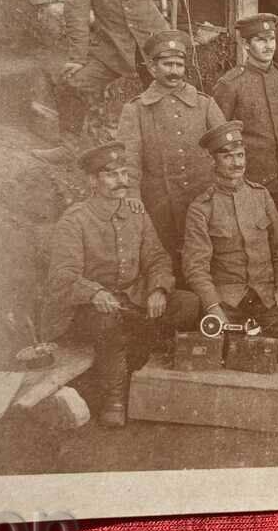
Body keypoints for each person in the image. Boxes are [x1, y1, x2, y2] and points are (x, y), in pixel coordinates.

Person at [43, 141, 200, 427]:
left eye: (124, 173)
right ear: (93, 180)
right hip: (86, 309)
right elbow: (62, 276)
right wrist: (95, 292)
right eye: (111, 174)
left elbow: (156, 257)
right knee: (107, 322)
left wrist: (158, 289)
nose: (121, 181)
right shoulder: (75, 221)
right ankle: (114, 396)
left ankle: (141, 363)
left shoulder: (136, 212)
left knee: (188, 304)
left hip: (132, 298)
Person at [33, 0, 190, 164]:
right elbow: (77, 16)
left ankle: (180, 148)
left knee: (172, 93)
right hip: (114, 49)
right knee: (72, 83)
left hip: (155, 47)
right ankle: (69, 146)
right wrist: (77, 57)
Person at [116, 31, 226, 263]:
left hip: (202, 197)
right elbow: (129, 159)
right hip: (159, 201)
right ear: (152, 68)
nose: (174, 71)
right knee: (165, 257)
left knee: (206, 254)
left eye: (179, 64)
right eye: (167, 64)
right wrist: (133, 194)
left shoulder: (205, 104)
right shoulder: (135, 109)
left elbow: (225, 150)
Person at [181, 121, 278, 337]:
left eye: (240, 155)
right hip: (227, 303)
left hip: (268, 298)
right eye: (228, 157)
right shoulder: (201, 208)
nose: (237, 163)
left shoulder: (261, 196)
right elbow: (195, 267)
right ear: (213, 161)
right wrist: (213, 307)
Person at [212, 13, 278, 233]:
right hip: (251, 181)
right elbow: (218, 138)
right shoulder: (230, 84)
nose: (268, 46)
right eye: (261, 40)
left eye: (271, 39)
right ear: (245, 44)